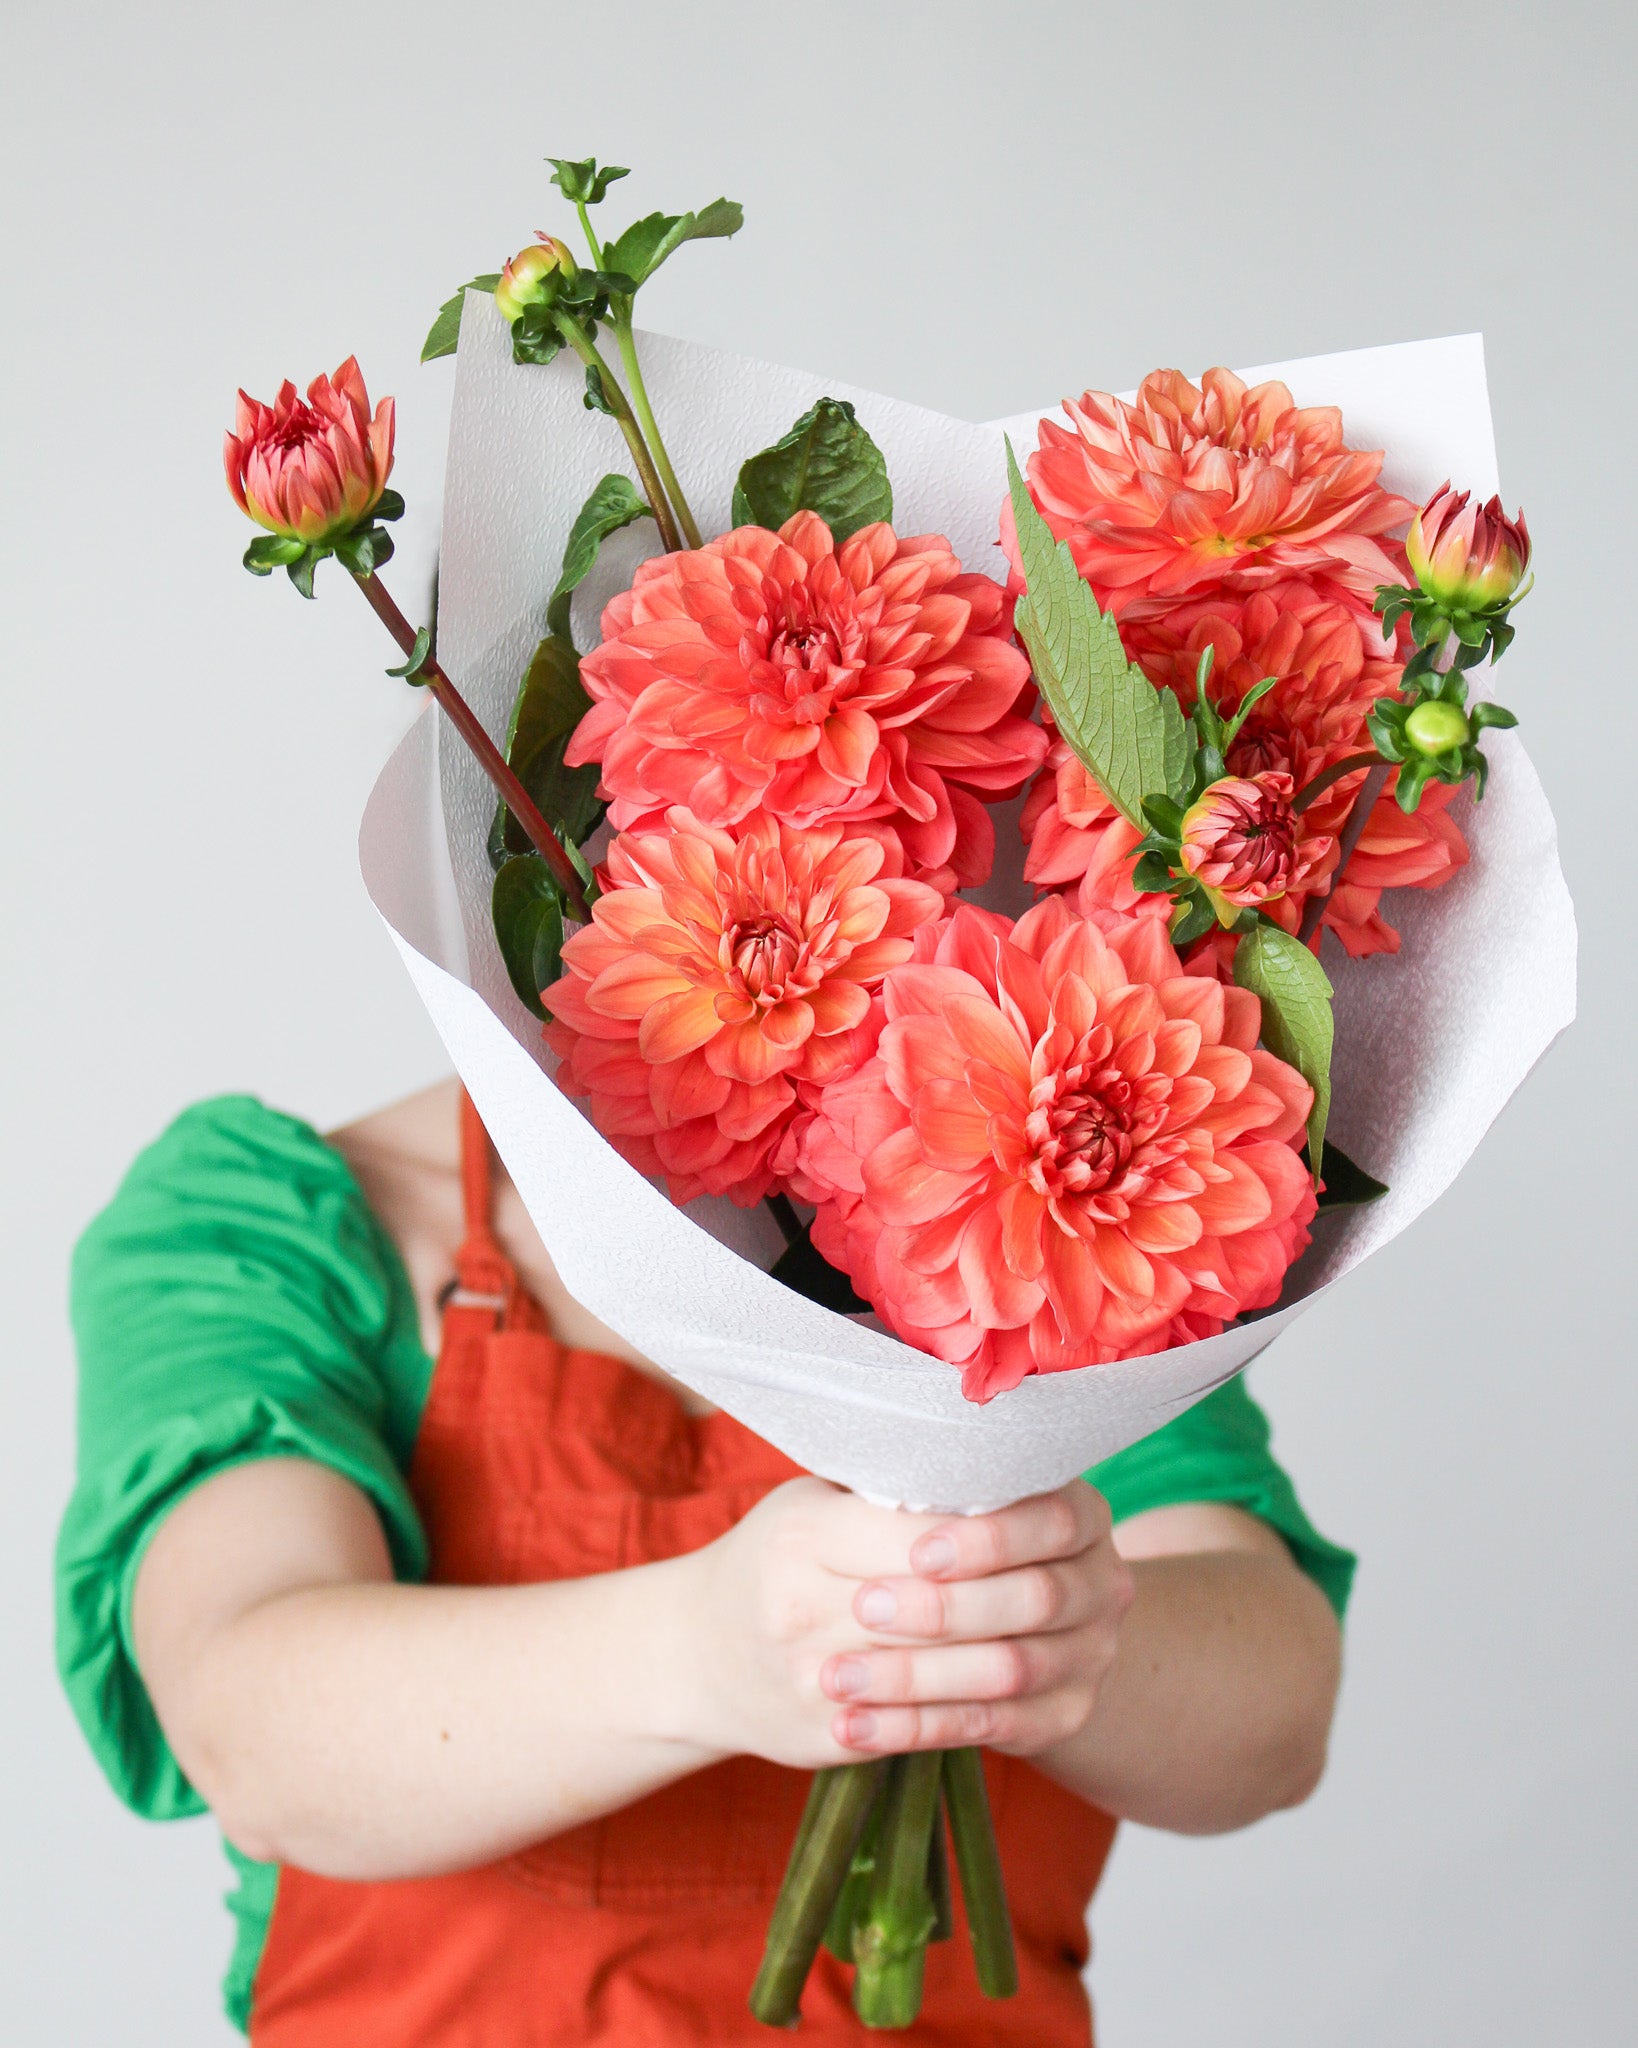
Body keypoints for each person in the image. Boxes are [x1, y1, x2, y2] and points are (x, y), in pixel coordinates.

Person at [58, 1077, 1352, 2044]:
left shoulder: (1048, 1220)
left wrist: (1061, 1636)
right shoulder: (286, 1219)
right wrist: (711, 1652)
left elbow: (1273, 1715)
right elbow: (253, 1729)